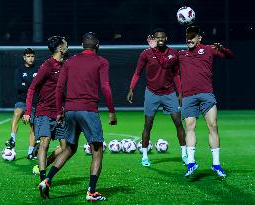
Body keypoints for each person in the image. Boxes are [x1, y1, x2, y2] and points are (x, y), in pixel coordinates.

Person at [38, 32, 117, 201]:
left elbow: (59, 88)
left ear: (82, 45)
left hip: (70, 111)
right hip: (88, 111)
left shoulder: (69, 61)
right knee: (97, 150)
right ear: (97, 45)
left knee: (69, 148)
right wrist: (111, 111)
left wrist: (59, 111)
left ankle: (47, 180)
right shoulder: (102, 62)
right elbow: (106, 87)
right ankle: (91, 192)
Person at [178, 25, 234, 178]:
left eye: (193, 36)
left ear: (199, 38)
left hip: (206, 94)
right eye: (187, 36)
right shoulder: (181, 54)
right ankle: (191, 162)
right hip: (189, 96)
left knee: (213, 126)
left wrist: (223, 49)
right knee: (189, 127)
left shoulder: (209, 49)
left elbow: (229, 56)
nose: (189, 38)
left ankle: (216, 164)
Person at [127, 28, 187, 167]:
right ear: (153, 38)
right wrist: (131, 88)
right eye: (157, 37)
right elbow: (137, 73)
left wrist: (180, 92)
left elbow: (176, 74)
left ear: (166, 38)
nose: (160, 39)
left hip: (169, 93)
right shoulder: (146, 54)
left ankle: (184, 155)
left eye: (162, 37)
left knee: (178, 123)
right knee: (148, 124)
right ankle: (145, 157)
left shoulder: (173, 54)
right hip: (152, 93)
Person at [22, 36, 72, 198]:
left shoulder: (66, 65)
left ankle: (46, 168)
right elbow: (31, 88)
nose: (67, 46)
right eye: (65, 44)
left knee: (66, 148)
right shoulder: (47, 66)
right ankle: (44, 181)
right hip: (44, 112)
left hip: (59, 113)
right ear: (59, 48)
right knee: (44, 143)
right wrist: (28, 111)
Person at [5, 48, 39, 160]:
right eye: (28, 56)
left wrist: (27, 85)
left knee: (33, 127)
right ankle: (12, 139)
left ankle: (30, 152)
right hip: (23, 100)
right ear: (24, 57)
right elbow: (17, 86)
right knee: (17, 112)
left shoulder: (39, 69)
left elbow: (40, 85)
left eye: (32, 56)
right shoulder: (19, 70)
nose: (30, 58)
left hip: (35, 102)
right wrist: (32, 86)